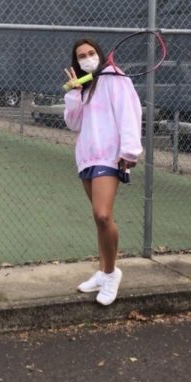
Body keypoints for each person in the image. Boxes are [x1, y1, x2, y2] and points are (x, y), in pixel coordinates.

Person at [63, 38, 142, 306]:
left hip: (110, 157)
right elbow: (73, 124)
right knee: (99, 220)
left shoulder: (115, 78)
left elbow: (129, 113)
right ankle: (102, 270)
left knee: (103, 214)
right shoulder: (83, 86)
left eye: (91, 52)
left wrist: (129, 152)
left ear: (99, 53)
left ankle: (110, 274)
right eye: (81, 56)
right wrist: (74, 92)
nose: (87, 58)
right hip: (86, 158)